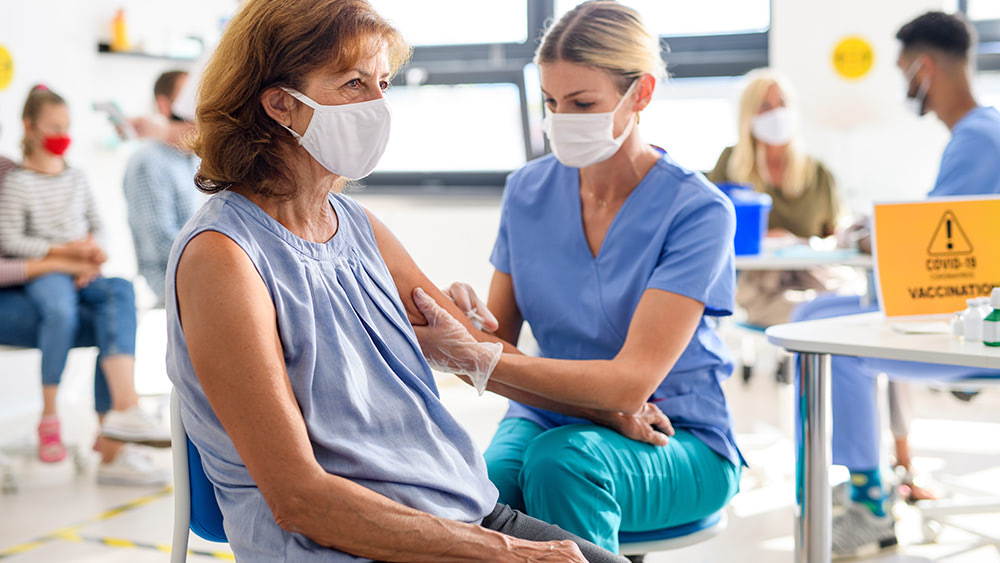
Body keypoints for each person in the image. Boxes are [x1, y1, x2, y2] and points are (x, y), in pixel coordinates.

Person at [168, 0, 645, 560]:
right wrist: (511, 555)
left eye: (384, 83)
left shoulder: (359, 227)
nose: (378, 105)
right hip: (347, 543)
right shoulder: (223, 257)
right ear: (280, 105)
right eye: (352, 84)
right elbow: (300, 499)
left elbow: (474, 352)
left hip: (463, 511)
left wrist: (605, 410)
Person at [422, 2, 744, 556]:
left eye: (582, 102)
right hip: (546, 411)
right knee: (481, 484)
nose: (561, 119)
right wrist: (468, 324)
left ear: (639, 94)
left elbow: (629, 387)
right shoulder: (527, 191)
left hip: (677, 433)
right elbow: (497, 345)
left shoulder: (697, 211)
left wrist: (475, 355)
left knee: (563, 464)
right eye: (550, 101)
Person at [791, 12, 1000, 558]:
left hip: (976, 331)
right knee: (810, 319)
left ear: (925, 68)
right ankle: (860, 475)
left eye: (906, 70)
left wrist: (871, 238)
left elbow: (940, 248)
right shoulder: (981, 133)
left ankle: (869, 503)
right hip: (970, 314)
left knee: (837, 346)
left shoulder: (979, 139)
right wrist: (877, 233)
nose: (906, 83)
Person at [0, 108, 169, 484]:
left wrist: (90, 256)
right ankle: (85, 426)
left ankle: (121, 420)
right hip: (25, 293)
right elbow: (13, 244)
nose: (60, 134)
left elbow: (94, 226)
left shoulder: (13, 170)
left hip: (54, 278)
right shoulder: (18, 182)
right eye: (53, 127)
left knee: (118, 297)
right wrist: (65, 259)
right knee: (77, 315)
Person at [708, 68, 842, 328]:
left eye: (782, 103)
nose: (776, 113)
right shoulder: (730, 164)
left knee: (828, 309)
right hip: (754, 284)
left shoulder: (818, 174)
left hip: (811, 277)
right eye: (765, 106)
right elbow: (712, 228)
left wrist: (797, 243)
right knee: (805, 318)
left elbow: (835, 238)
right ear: (749, 115)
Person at [123, 71, 202, 307]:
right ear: (164, 105)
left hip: (201, 266)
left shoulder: (193, 157)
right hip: (171, 279)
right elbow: (160, 240)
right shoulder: (149, 162)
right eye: (187, 99)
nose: (196, 107)